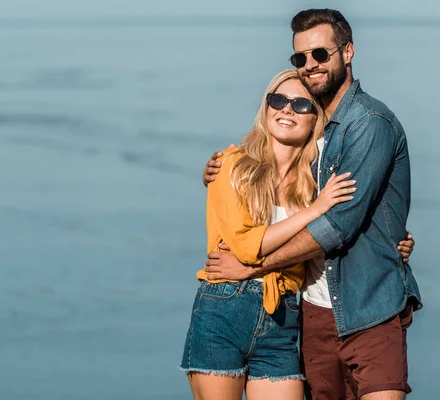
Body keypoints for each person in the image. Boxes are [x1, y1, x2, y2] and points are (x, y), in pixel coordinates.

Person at [202, 9, 422, 400]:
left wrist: (253, 266)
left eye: (320, 54)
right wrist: (220, 171)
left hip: (368, 307)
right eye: (299, 58)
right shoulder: (310, 138)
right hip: (309, 314)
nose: (310, 65)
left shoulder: (369, 123)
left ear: (348, 52)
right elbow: (265, 186)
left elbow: (339, 224)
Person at [181, 69, 366, 400]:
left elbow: (336, 234)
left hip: (282, 319)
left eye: (301, 104)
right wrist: (316, 210)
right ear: (266, 109)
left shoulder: (317, 182)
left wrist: (396, 245)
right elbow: (244, 246)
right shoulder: (231, 165)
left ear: (316, 119)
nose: (287, 110)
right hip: (223, 310)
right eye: (278, 100)